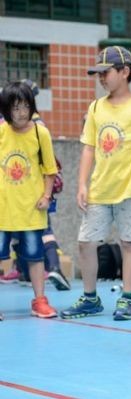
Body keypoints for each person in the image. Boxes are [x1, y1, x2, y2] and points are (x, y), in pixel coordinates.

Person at [60, 46, 131, 320]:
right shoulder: (96, 107)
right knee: (86, 242)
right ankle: (90, 297)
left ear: (124, 72)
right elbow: (88, 148)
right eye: (98, 73)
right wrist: (82, 184)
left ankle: (127, 298)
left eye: (105, 72)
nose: (101, 78)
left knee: (130, 243)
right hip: (100, 189)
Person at [0, 79, 70, 291]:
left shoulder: (41, 133)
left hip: (32, 209)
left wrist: (46, 196)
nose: (21, 113)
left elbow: (50, 170)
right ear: (6, 109)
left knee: (35, 257)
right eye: (15, 108)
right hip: (3, 209)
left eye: (25, 107)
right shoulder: (2, 132)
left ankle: (40, 300)